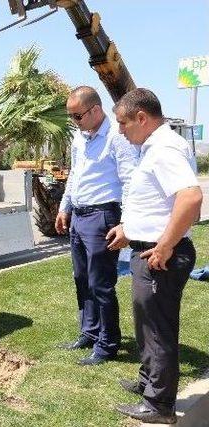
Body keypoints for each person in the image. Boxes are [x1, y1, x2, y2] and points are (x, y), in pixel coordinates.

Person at [107, 88, 202, 424]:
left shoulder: (163, 149)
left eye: (123, 123)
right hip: (149, 249)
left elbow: (190, 199)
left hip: (160, 256)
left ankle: (159, 406)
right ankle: (149, 383)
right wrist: (129, 229)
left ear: (142, 118)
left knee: (158, 330)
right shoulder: (155, 147)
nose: (120, 130)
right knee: (147, 326)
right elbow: (158, 203)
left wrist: (164, 245)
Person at [55, 86, 138, 366]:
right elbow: (74, 175)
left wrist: (126, 222)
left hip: (103, 216)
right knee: (82, 279)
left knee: (101, 283)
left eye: (77, 116)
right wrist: (65, 206)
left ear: (95, 110)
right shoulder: (80, 137)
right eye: (72, 117)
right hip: (78, 216)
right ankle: (89, 333)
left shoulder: (117, 137)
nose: (74, 122)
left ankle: (108, 343)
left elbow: (129, 181)